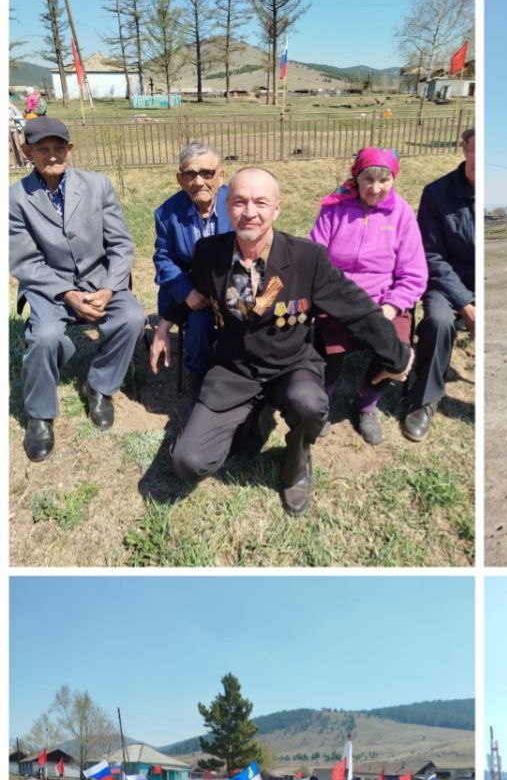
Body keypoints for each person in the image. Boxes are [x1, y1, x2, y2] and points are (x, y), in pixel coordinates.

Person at [157, 167, 412, 516]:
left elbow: (357, 309)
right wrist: (163, 324)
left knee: (310, 404)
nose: (250, 212)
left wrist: (397, 356)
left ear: (277, 209)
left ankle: (297, 463)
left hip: (291, 364)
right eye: (240, 202)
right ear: (226, 207)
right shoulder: (209, 253)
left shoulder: (308, 258)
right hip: (234, 370)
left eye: (261, 202)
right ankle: (251, 421)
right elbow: (191, 290)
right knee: (189, 464)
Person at [10, 116, 145, 462]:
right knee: (44, 338)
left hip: (100, 282)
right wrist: (68, 294)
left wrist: (111, 290)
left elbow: (121, 244)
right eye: (43, 149)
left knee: (132, 318)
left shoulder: (98, 185)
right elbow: (25, 261)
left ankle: (100, 386)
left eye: (59, 148)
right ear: (28, 152)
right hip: (49, 289)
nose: (52, 155)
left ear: (70, 149)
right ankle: (39, 415)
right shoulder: (14, 199)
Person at [308, 147, 427, 444]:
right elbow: (314, 255)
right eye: (368, 179)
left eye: (383, 180)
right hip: (339, 295)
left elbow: (414, 274)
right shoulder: (334, 207)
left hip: (383, 300)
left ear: (394, 180)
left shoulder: (402, 214)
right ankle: (323, 399)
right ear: (356, 178)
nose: (375, 188)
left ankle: (365, 401)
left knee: (396, 350)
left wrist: (389, 307)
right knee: (327, 343)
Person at [401, 128, 475, 443]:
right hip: (446, 281)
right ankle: (425, 398)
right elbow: (430, 254)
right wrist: (465, 304)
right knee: (439, 321)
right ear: (464, 147)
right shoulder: (437, 193)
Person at [150, 142, 232, 394]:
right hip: (192, 291)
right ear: (180, 179)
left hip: (232, 286)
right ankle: (200, 379)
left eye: (207, 173)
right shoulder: (167, 213)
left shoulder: (236, 202)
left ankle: (239, 376)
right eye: (190, 174)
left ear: (221, 175)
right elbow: (164, 259)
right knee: (198, 324)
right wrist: (186, 292)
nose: (198, 181)